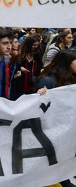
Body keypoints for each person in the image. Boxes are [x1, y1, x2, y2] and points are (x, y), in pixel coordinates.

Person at [36, 49, 76, 187]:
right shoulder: (48, 80)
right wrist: (41, 95)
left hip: (66, 127)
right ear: (67, 63)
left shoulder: (71, 78)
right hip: (51, 129)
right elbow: (38, 107)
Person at [13, 34, 43, 99]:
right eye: (34, 45)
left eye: (37, 45)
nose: (35, 47)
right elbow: (15, 65)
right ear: (29, 44)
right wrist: (20, 68)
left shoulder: (37, 54)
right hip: (20, 83)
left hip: (32, 83)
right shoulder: (21, 53)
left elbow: (40, 65)